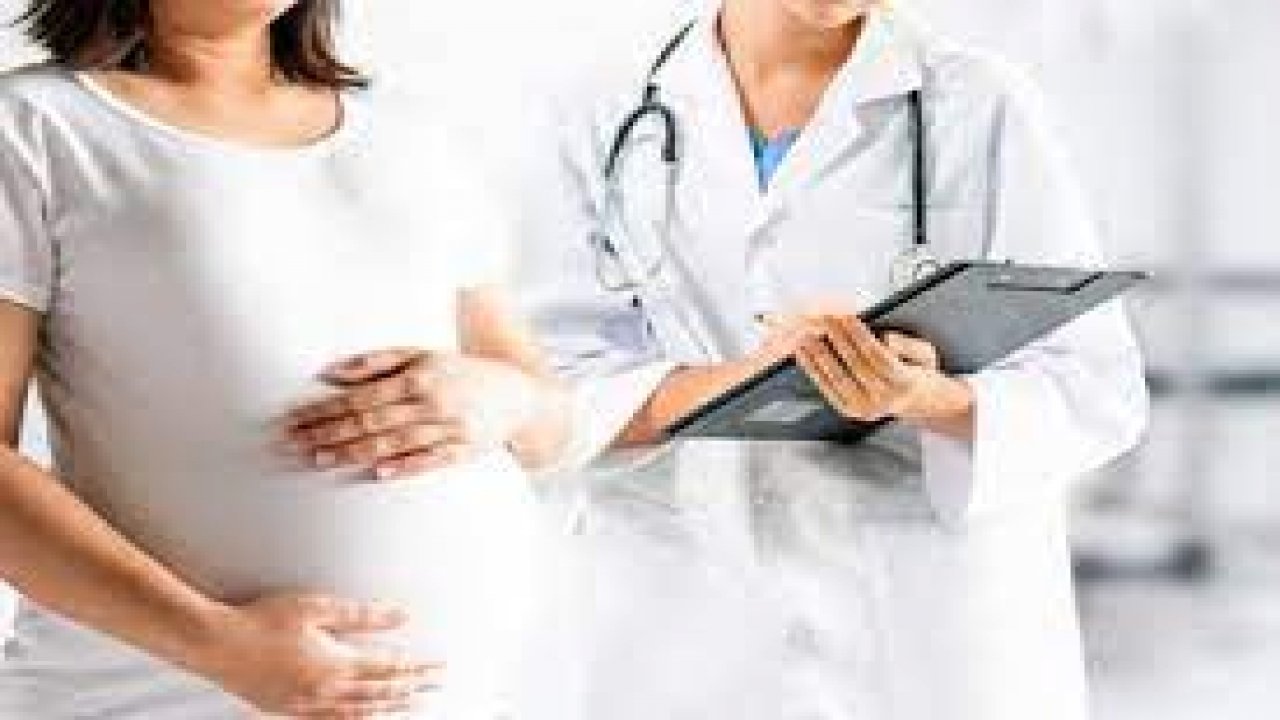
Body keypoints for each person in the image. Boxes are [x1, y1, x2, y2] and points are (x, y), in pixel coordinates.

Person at [510, 0, 1151, 718]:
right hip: (679, 613)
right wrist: (745, 383)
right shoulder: (598, 111)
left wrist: (925, 398)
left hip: (920, 621)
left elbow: (1093, 383)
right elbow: (542, 393)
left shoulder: (979, 104)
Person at [0, 0, 568, 718]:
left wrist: (508, 398)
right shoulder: (35, 127)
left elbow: (551, 426)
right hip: (159, 696)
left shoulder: (410, 134)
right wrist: (215, 643)